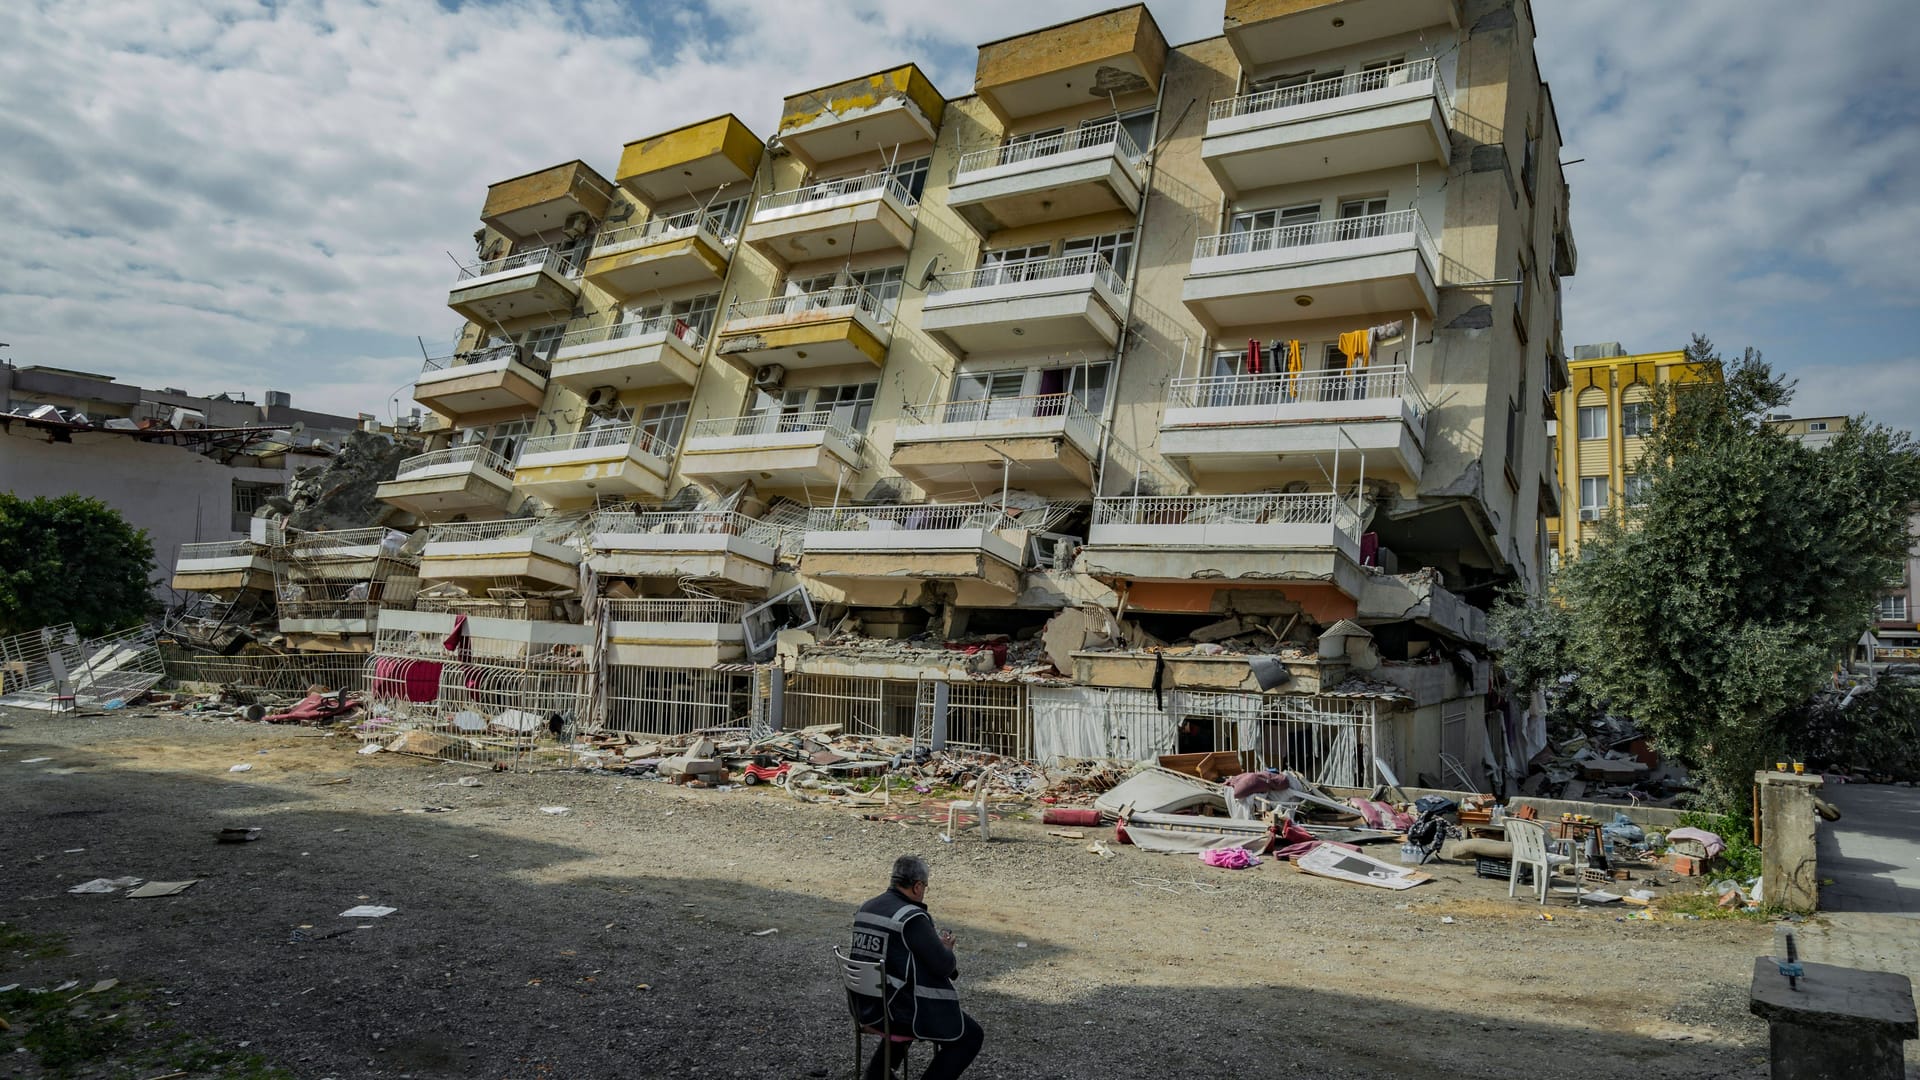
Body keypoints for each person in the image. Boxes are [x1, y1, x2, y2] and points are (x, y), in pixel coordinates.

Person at [849, 855, 985, 1080]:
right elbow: (943, 966)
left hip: (866, 1006)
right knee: (971, 1036)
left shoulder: (867, 907)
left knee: (900, 994)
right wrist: (946, 949)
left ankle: (876, 1073)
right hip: (895, 1014)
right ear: (917, 885)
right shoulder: (911, 918)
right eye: (925, 887)